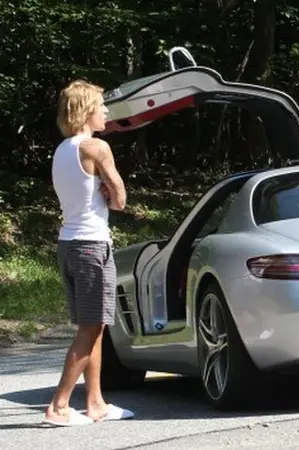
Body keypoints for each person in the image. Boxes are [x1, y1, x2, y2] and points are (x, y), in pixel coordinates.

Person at [43, 80, 135, 426]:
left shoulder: (63, 149)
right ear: (87, 111)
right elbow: (121, 198)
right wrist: (110, 191)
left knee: (92, 326)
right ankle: (59, 405)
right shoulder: (97, 148)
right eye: (102, 105)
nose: (107, 112)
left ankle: (95, 403)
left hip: (68, 245)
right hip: (92, 246)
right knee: (91, 328)